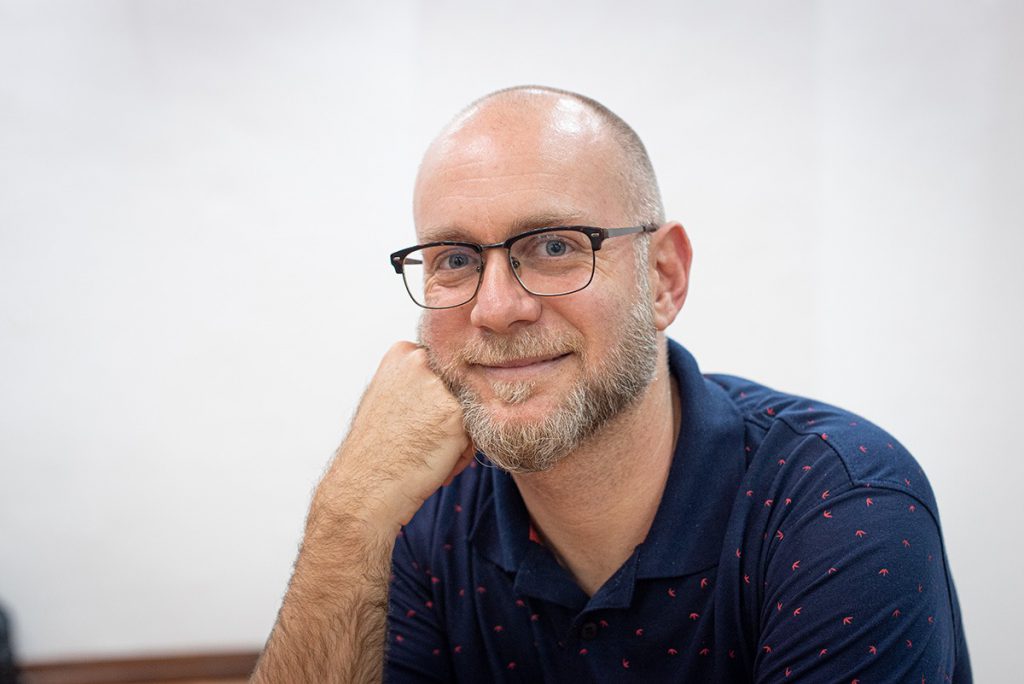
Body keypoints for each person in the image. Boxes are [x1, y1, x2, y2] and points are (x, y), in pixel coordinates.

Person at [251, 85, 970, 682]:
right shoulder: (426, 522)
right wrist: (350, 513)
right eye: (455, 260)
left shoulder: (841, 504)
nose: (496, 308)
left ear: (664, 278)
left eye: (555, 246)